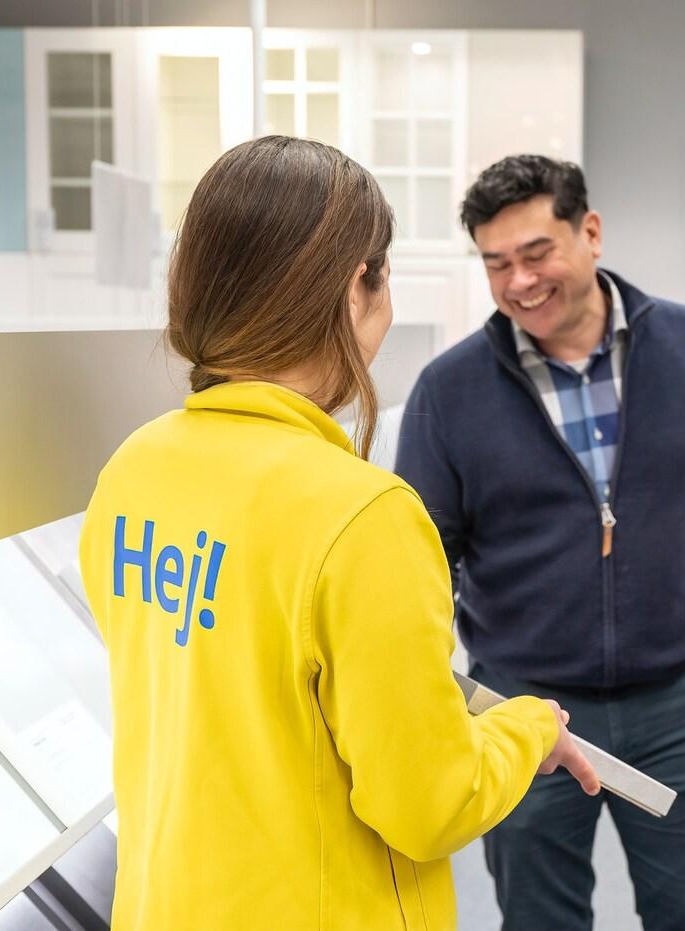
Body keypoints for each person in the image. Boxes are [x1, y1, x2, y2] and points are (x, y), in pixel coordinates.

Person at [78, 136, 599, 931]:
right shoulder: (363, 516)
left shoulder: (133, 470)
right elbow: (429, 803)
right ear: (361, 284)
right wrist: (527, 725)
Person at [395, 154, 685, 931]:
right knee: (539, 922)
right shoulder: (449, 389)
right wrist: (454, 695)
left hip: (681, 703)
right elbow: (421, 561)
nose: (520, 283)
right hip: (525, 712)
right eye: (497, 264)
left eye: (537, 254)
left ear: (590, 232)